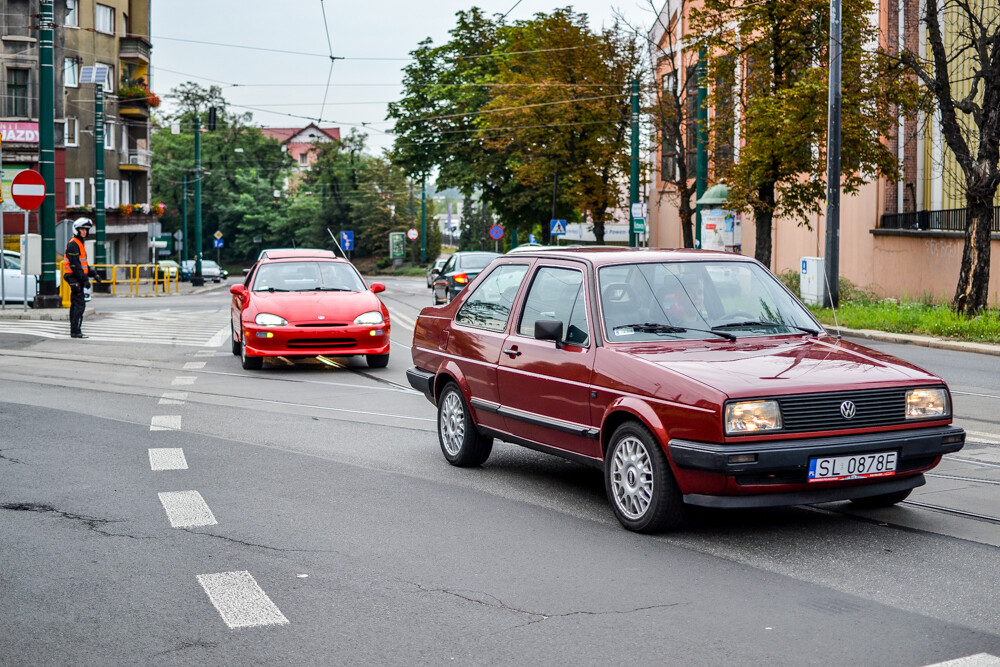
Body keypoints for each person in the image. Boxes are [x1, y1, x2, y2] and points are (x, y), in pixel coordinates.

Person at [63, 218, 100, 338]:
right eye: (82, 229)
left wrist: (93, 274)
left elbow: (83, 264)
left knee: (76, 304)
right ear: (76, 230)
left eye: (86, 230)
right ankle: (75, 331)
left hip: (77, 277)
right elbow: (75, 265)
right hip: (74, 278)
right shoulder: (73, 244)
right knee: (79, 305)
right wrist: (85, 279)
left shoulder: (80, 244)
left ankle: (75, 330)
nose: (84, 232)